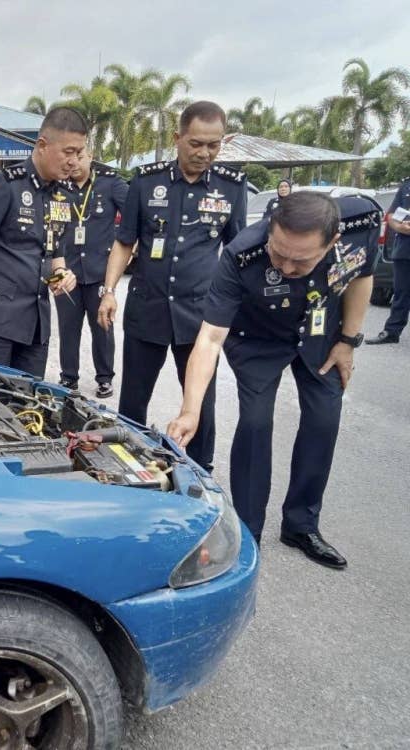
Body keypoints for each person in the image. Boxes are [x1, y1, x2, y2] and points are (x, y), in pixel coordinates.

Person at [167, 192, 379, 568]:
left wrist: (348, 340)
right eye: (278, 253)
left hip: (320, 333)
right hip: (257, 339)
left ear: (332, 241)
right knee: (255, 424)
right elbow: (210, 338)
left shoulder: (360, 224)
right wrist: (190, 410)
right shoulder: (242, 253)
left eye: (301, 260)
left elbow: (362, 276)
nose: (285, 266)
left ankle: (301, 524)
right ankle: (249, 533)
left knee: (324, 421)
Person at [97, 101, 248, 471]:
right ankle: (126, 468)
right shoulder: (146, 181)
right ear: (177, 138)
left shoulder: (231, 187)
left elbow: (237, 251)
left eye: (213, 145)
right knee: (133, 400)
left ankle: (200, 472)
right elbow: (125, 242)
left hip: (199, 315)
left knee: (201, 403)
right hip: (147, 308)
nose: (204, 153)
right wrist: (109, 290)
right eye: (196, 143)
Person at [0, 108, 82, 377]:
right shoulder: (5, 185)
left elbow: (54, 251)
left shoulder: (63, 195)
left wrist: (61, 273)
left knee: (28, 398)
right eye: (68, 152)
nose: (74, 161)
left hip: (36, 324)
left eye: (79, 153)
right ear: (43, 145)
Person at [56, 150, 128, 397]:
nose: (74, 162)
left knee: (103, 326)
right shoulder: (56, 185)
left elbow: (135, 218)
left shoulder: (110, 184)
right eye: (71, 156)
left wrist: (130, 248)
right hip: (65, 271)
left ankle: (105, 378)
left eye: (81, 156)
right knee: (67, 328)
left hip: (100, 271)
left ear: (91, 156)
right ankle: (68, 378)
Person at [366, 175, 410, 345]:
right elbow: (391, 215)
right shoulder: (406, 186)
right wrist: (400, 227)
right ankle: (391, 332)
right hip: (405, 249)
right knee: (401, 293)